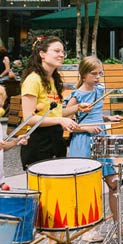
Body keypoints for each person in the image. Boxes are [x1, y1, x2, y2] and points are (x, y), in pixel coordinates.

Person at [67, 56, 123, 242]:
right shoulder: (77, 95)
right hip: (83, 140)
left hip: (101, 139)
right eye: (94, 74)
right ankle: (88, 229)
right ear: (83, 75)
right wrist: (87, 128)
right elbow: (67, 122)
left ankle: (119, 225)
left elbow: (95, 113)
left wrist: (108, 119)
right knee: (88, 187)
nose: (98, 77)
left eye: (100, 73)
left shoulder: (100, 90)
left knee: (114, 183)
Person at [18, 35, 80, 169]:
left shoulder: (53, 80)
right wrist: (60, 121)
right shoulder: (33, 80)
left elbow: (55, 113)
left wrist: (78, 108)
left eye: (63, 52)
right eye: (57, 51)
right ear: (42, 54)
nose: (61, 55)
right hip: (39, 142)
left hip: (56, 139)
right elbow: (29, 118)